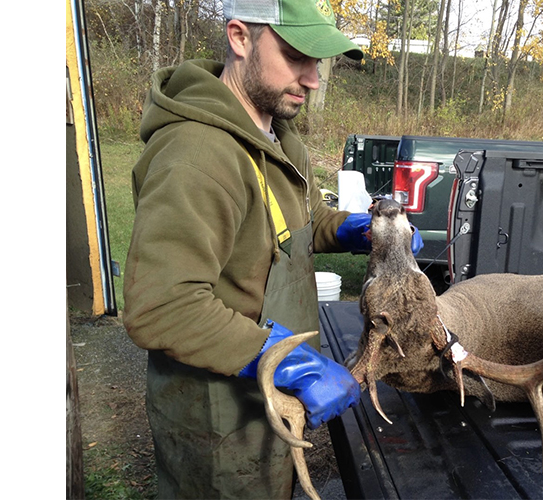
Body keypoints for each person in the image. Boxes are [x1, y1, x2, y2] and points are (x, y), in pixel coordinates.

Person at [122, 0, 421, 498]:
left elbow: (295, 223)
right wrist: (290, 361)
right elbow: (161, 306)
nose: (313, 79)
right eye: (295, 56)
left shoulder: (278, 135)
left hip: (271, 406)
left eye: (318, 62)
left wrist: (356, 230)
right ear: (240, 38)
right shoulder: (197, 157)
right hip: (220, 420)